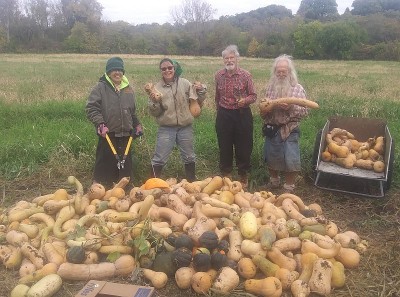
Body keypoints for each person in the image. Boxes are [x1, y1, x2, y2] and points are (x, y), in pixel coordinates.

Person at [86, 57, 143, 187]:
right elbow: (91, 108)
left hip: (126, 135)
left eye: (119, 70)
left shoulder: (128, 89)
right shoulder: (100, 88)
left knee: (125, 168)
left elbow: (132, 111)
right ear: (108, 72)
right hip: (108, 134)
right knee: (104, 164)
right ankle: (99, 188)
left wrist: (137, 124)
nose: (117, 73)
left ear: (123, 72)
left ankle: (125, 191)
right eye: (113, 70)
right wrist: (100, 124)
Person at [147, 58, 206, 182]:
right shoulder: (157, 88)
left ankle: (191, 183)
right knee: (160, 157)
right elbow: (155, 112)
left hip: (185, 126)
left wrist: (201, 89)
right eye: (164, 69)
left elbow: (197, 100)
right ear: (161, 71)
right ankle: (152, 183)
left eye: (170, 68)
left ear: (174, 69)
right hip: (166, 128)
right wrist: (154, 102)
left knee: (189, 156)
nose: (167, 70)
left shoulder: (185, 83)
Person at [261, 54, 309, 193]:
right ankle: (274, 181)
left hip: (290, 127)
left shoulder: (297, 88)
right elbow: (265, 108)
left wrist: (291, 107)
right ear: (275, 72)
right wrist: (265, 110)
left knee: (290, 157)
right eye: (279, 71)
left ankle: (289, 186)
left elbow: (305, 111)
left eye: (284, 71)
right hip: (273, 126)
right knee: (271, 155)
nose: (281, 74)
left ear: (289, 72)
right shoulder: (270, 88)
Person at [214, 45, 257, 189]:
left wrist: (244, 101)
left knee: (244, 146)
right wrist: (219, 111)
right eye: (226, 58)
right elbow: (217, 96)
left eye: (232, 57)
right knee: (224, 145)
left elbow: (253, 96)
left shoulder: (246, 75)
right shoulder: (218, 75)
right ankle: (226, 175)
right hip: (224, 114)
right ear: (223, 60)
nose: (229, 60)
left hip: (242, 114)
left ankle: (243, 175)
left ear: (237, 59)